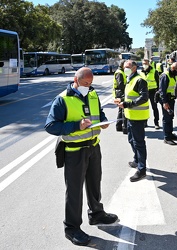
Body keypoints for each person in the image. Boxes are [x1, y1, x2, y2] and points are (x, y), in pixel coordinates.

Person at [44, 67, 118, 246]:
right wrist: (77, 125)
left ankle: (96, 214)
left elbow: (98, 113)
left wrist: (103, 120)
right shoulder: (62, 99)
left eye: (91, 83)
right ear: (76, 80)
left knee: (94, 183)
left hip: (93, 147)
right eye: (86, 84)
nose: (89, 86)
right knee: (74, 191)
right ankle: (72, 228)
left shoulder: (92, 94)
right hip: (74, 151)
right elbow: (51, 126)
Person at [114, 60, 149, 182]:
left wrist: (128, 104)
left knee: (139, 143)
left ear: (134, 68)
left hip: (137, 116)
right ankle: (137, 160)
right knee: (131, 139)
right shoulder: (130, 78)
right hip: (129, 115)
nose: (125, 69)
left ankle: (142, 170)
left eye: (127, 67)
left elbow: (144, 97)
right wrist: (121, 100)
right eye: (124, 67)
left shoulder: (139, 80)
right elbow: (129, 95)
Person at [159, 62, 177, 145]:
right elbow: (162, 91)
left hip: (171, 99)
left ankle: (170, 134)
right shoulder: (165, 75)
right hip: (166, 100)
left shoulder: (173, 74)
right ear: (173, 68)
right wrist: (165, 102)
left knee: (171, 116)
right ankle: (167, 137)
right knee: (167, 118)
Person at [140, 58, 160, 129]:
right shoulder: (141, 72)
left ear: (149, 64)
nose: (144, 65)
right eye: (143, 64)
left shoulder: (154, 71)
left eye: (146, 63)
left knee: (154, 108)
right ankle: (145, 122)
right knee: (144, 108)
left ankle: (156, 123)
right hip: (144, 92)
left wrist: (158, 92)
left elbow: (158, 82)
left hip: (152, 92)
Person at [113, 59, 127, 133]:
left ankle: (119, 126)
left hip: (119, 93)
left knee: (121, 110)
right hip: (120, 93)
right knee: (123, 110)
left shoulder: (121, 72)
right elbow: (121, 84)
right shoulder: (120, 73)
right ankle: (124, 128)